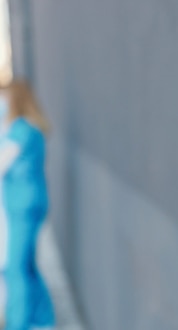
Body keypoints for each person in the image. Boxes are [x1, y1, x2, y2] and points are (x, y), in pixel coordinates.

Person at [0, 80, 54, 330]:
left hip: (23, 206)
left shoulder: (20, 130)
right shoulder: (31, 128)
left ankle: (17, 324)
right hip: (31, 202)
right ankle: (44, 317)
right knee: (27, 263)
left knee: (15, 268)